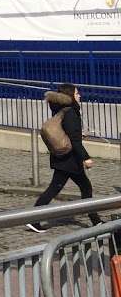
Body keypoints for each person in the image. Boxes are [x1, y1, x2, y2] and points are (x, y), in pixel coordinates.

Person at [27, 83, 103, 232]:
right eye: (76, 93)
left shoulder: (61, 110)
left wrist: (79, 133)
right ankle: (95, 220)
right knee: (80, 187)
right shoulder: (71, 113)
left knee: (62, 187)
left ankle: (95, 220)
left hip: (63, 158)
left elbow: (67, 133)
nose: (79, 95)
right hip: (69, 159)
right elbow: (74, 141)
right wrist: (86, 158)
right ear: (70, 96)